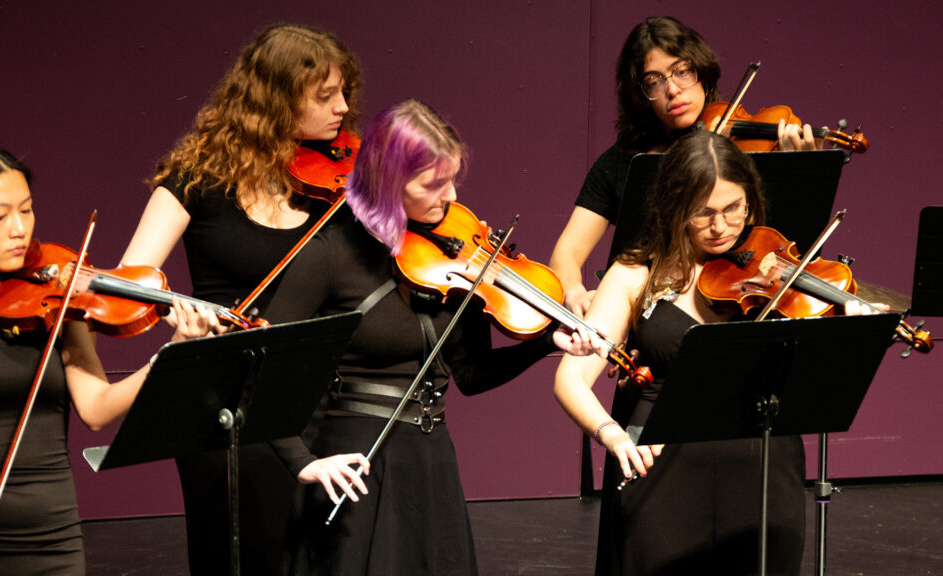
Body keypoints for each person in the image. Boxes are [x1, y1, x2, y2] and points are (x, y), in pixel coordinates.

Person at [260, 99, 595, 576]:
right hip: (357, 462)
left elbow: (472, 375)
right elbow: (264, 362)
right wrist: (300, 461)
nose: (451, 197)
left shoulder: (455, 260)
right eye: (434, 184)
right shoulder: (329, 254)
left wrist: (544, 344)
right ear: (390, 181)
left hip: (431, 458)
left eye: (453, 180)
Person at [553, 130, 883, 575]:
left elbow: (818, 372)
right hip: (661, 472)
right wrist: (610, 434)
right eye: (703, 213)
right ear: (674, 208)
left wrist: (852, 327)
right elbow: (570, 379)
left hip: (763, 470)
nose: (722, 226)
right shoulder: (634, 274)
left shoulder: (773, 267)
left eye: (734, 208)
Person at [119, 24, 361, 575]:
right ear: (275, 97)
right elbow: (132, 281)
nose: (343, 108)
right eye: (325, 96)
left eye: (345, 92)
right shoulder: (195, 179)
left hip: (321, 397)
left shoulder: (339, 185)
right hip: (225, 403)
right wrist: (177, 312)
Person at [0, 143, 217, 575]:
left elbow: (97, 409)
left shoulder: (57, 306)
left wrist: (171, 355)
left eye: (27, 210)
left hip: (54, 543)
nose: (19, 229)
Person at [549, 16, 818, 318]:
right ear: (641, 95)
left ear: (701, 72)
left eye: (682, 72)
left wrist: (801, 168)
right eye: (654, 81)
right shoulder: (622, 162)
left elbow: (790, 242)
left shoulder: (737, 150)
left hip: (733, 302)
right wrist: (573, 292)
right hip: (648, 315)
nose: (673, 90)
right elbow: (567, 251)